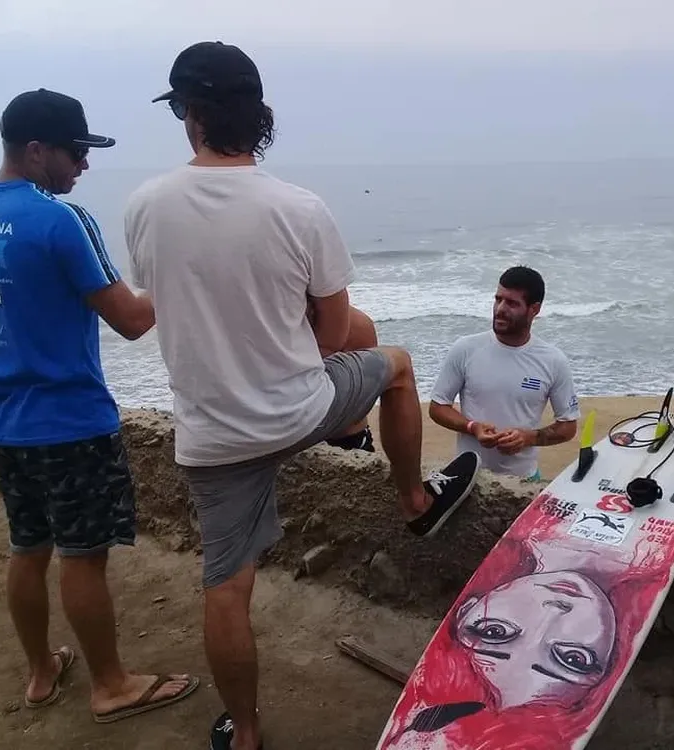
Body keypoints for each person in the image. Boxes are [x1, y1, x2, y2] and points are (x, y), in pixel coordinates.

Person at [124, 41, 480, 750]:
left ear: (191, 114)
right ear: (257, 116)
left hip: (212, 439)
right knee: (397, 364)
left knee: (226, 588)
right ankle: (414, 500)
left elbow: (163, 304)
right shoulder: (299, 208)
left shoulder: (143, 206)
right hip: (298, 411)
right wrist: (290, 369)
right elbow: (336, 330)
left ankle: (246, 733)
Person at [0, 89, 199, 722]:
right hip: (70, 422)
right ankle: (111, 686)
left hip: (4, 421)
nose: (84, 165)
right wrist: (178, 272)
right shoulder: (61, 219)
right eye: (76, 151)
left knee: (28, 547)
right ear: (36, 150)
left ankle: (40, 672)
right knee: (82, 557)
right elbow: (131, 320)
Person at [428, 266, 581, 481]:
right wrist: (472, 427)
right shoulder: (466, 349)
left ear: (534, 309)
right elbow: (438, 407)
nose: (500, 309)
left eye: (512, 303)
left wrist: (528, 437)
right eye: (498, 299)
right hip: (470, 478)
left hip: (524, 480)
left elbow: (568, 426)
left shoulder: (553, 360)